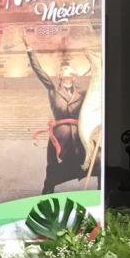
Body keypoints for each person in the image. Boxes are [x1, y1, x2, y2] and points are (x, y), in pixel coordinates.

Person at [22, 34, 90, 194]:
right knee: (51, 173)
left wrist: (76, 74)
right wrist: (29, 50)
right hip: (60, 136)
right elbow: (39, 72)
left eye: (67, 70)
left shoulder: (81, 92)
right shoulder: (53, 90)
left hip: (80, 135)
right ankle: (45, 198)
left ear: (73, 76)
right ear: (59, 76)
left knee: (97, 159)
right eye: (61, 71)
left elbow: (89, 87)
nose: (63, 72)